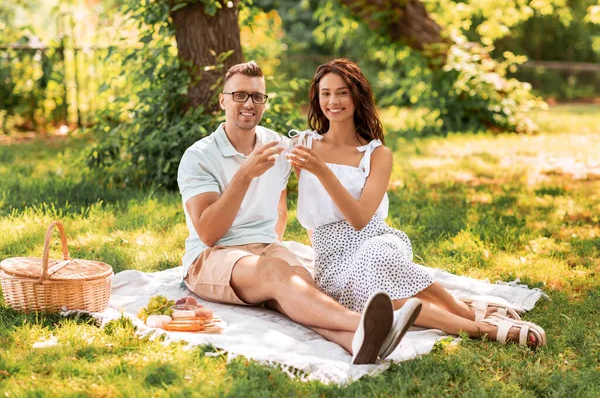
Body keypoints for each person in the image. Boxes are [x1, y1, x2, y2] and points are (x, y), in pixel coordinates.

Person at [286, 58, 546, 348]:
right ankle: (473, 322)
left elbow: (360, 219)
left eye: (342, 92)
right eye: (326, 93)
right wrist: (324, 254)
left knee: (377, 257)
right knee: (382, 301)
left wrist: (322, 170)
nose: (333, 100)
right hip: (331, 255)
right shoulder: (304, 146)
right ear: (317, 98)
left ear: (357, 96)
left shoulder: (377, 154)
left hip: (374, 238)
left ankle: (469, 318)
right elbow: (307, 208)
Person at [177, 61, 423, 364]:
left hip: (264, 251)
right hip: (212, 256)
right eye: (239, 95)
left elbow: (283, 205)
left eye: (257, 96)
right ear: (223, 100)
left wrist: (274, 245)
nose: (249, 104)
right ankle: (365, 324)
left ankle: (357, 343)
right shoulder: (199, 157)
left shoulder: (277, 146)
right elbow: (208, 233)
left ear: (264, 102)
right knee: (278, 275)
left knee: (301, 289)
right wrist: (244, 175)